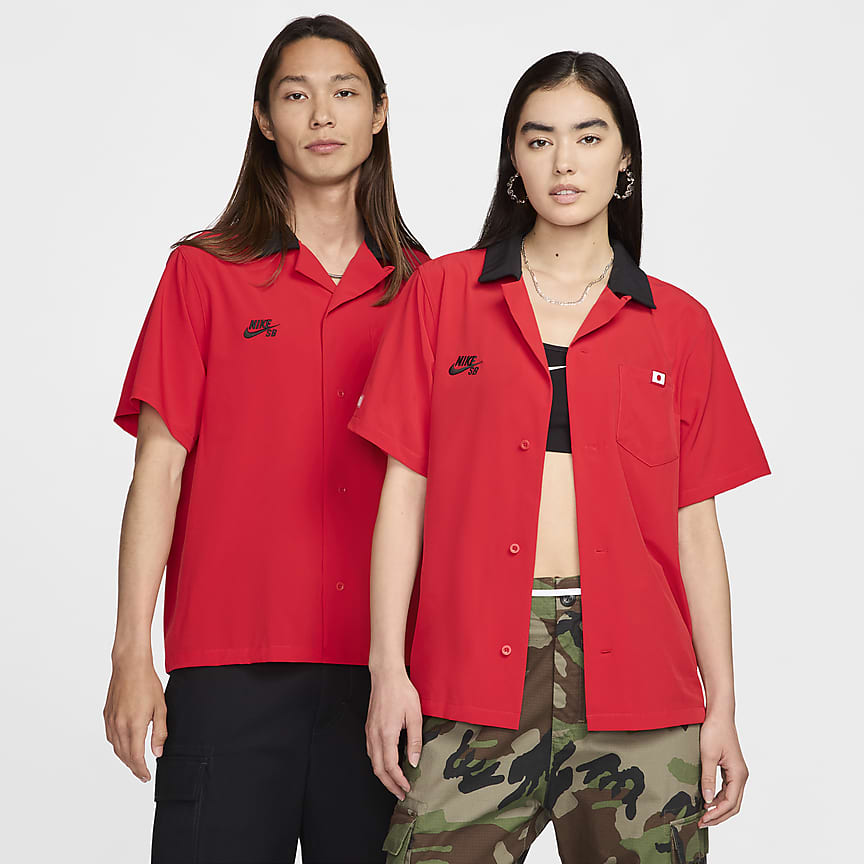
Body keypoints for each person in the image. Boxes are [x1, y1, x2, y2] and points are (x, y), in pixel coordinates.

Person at [349, 51, 770, 863]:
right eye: (539, 140)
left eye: (588, 136)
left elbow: (696, 530)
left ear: (625, 158)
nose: (564, 161)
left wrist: (721, 704)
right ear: (514, 159)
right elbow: (404, 494)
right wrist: (387, 668)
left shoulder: (679, 325)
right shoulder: (443, 296)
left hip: (642, 687)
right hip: (471, 669)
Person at [103, 15, 427, 863]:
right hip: (228, 670)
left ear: (379, 112)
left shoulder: (424, 290)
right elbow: (157, 471)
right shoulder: (202, 273)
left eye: (344, 93)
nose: (321, 115)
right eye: (296, 95)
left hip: (386, 676)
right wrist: (131, 652)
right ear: (263, 117)